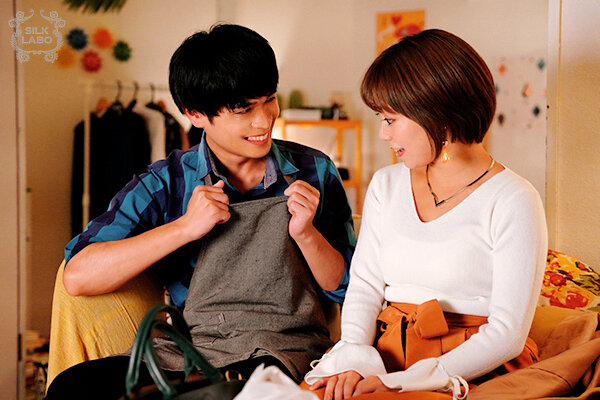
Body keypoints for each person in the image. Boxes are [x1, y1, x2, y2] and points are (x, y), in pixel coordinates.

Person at [45, 24, 356, 399]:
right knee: (72, 387)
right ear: (194, 115)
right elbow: (78, 276)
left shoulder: (314, 170)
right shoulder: (167, 182)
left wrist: (307, 234)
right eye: (244, 110)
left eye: (269, 100)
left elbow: (349, 287)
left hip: (286, 350)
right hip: (190, 349)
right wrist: (185, 228)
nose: (264, 120)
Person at [303, 29, 547, 400]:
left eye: (390, 120)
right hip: (386, 352)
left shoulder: (514, 199)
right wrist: (353, 357)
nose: (383, 135)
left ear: (437, 115)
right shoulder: (386, 185)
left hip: (467, 365)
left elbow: (507, 335)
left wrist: (407, 380)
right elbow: (365, 286)